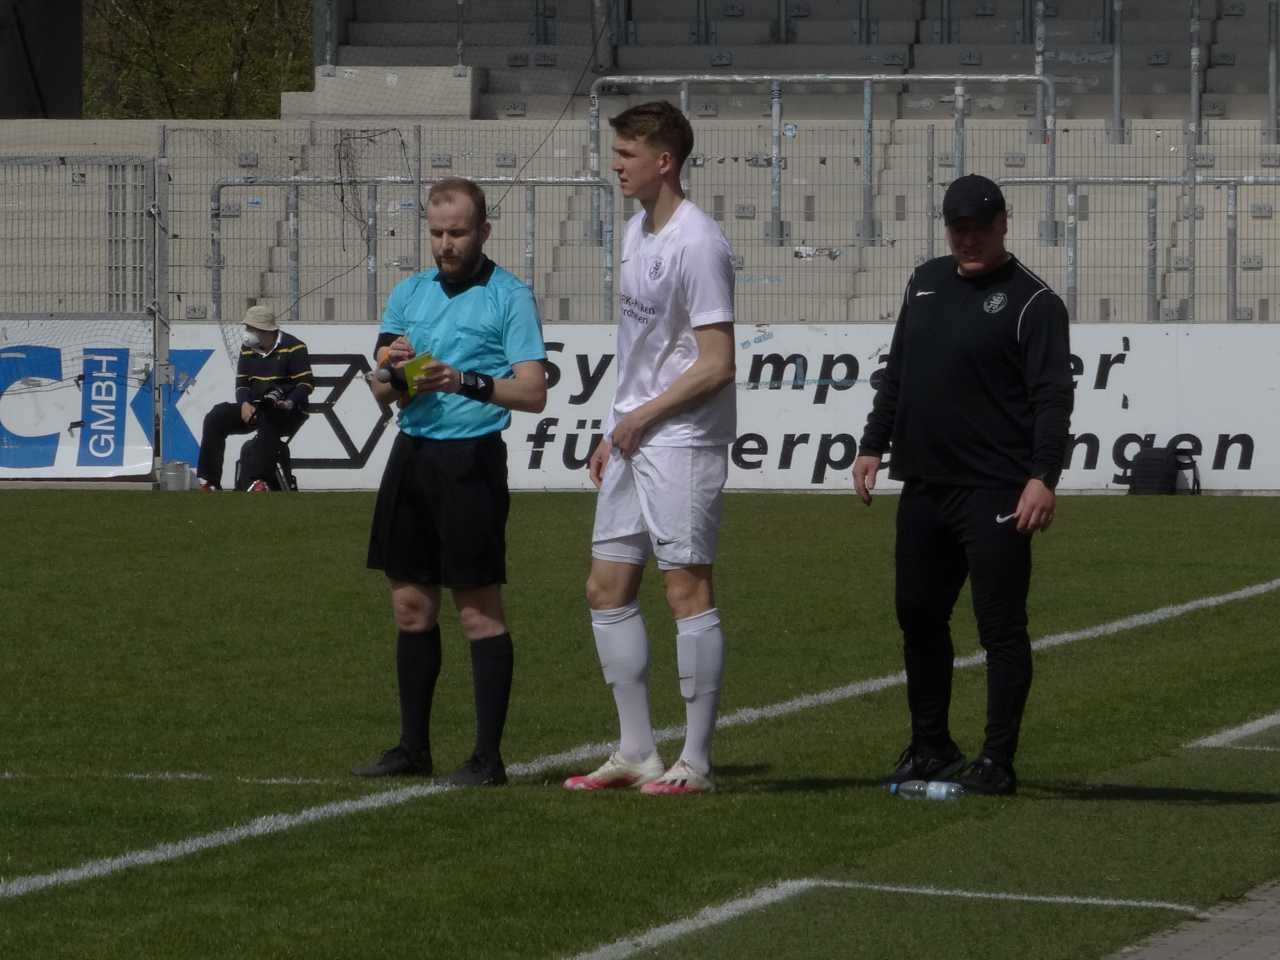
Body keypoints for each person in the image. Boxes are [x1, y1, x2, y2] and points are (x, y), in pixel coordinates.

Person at [852, 174, 1074, 796]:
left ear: (1004, 224)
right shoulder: (924, 282)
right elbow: (898, 372)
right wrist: (872, 443)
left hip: (997, 490)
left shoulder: (1034, 302)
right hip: (925, 484)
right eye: (957, 229)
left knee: (1000, 627)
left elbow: (1053, 398)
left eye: (979, 228)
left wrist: (1043, 477)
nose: (968, 240)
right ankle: (931, 746)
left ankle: (997, 759)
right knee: (918, 616)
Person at [561, 101, 736, 797]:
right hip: (635, 435)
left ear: (664, 161)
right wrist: (616, 430)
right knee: (605, 587)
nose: (616, 165)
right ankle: (637, 751)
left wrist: (644, 419)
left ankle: (697, 762)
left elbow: (717, 363)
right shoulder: (635, 231)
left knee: (685, 589)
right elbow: (639, 351)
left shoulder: (699, 242)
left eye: (627, 153)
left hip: (684, 437)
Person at [353, 177, 547, 787]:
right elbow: (382, 389)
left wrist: (461, 380)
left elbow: (533, 391)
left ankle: (488, 759)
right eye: (436, 233)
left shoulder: (509, 296)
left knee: (478, 612)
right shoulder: (409, 292)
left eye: (457, 232)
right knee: (410, 607)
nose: (445, 244)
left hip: (471, 462)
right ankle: (413, 748)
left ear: (483, 231)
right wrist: (390, 370)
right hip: (412, 455)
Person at [196, 304, 312, 492]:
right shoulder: (248, 348)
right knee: (216, 416)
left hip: (288, 411)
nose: (247, 332)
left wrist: (288, 402)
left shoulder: (295, 346)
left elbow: (306, 384)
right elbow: (242, 382)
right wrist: (244, 403)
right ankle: (210, 481)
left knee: (269, 414)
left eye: (251, 328)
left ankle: (259, 480)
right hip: (255, 407)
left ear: (265, 330)